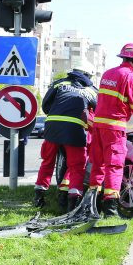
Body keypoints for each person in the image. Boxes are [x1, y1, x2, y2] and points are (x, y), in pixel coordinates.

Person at [89, 43, 133, 217]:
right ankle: (111, 209)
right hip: (114, 127)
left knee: (98, 164)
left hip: (98, 126)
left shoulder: (107, 74)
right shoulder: (130, 77)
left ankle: (91, 205)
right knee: (114, 165)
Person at [33, 62, 98, 211]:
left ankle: (39, 198)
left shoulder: (59, 84)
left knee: (47, 162)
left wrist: (58, 113)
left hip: (52, 127)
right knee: (77, 166)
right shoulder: (91, 90)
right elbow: (98, 110)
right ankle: (72, 204)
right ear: (88, 75)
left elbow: (45, 105)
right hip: (75, 130)